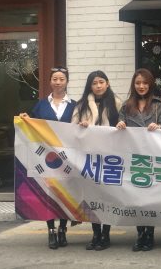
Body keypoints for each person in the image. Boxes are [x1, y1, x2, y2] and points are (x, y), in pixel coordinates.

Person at [19, 66, 77, 250]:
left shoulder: (75, 105)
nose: (58, 82)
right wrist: (25, 119)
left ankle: (62, 229)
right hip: (46, 158)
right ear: (50, 81)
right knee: (49, 193)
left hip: (67, 158)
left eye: (61, 79)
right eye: (55, 79)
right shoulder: (42, 105)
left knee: (66, 193)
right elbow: (32, 125)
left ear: (67, 82)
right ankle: (51, 231)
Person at [116, 68, 161, 252]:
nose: (141, 86)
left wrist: (158, 126)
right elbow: (119, 124)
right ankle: (140, 234)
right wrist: (120, 125)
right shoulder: (126, 105)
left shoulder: (158, 105)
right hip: (133, 157)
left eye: (145, 83)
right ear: (133, 85)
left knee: (150, 197)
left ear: (150, 84)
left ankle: (150, 234)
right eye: (138, 83)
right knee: (136, 197)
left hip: (152, 157)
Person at [71, 70, 122, 251]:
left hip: (109, 158)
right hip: (89, 157)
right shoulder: (81, 105)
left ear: (107, 83)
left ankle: (106, 234)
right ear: (90, 86)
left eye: (101, 82)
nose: (98, 86)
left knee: (106, 196)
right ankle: (95, 233)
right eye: (94, 83)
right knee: (92, 196)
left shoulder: (117, 103)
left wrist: (121, 126)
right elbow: (72, 130)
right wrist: (81, 126)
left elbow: (123, 128)